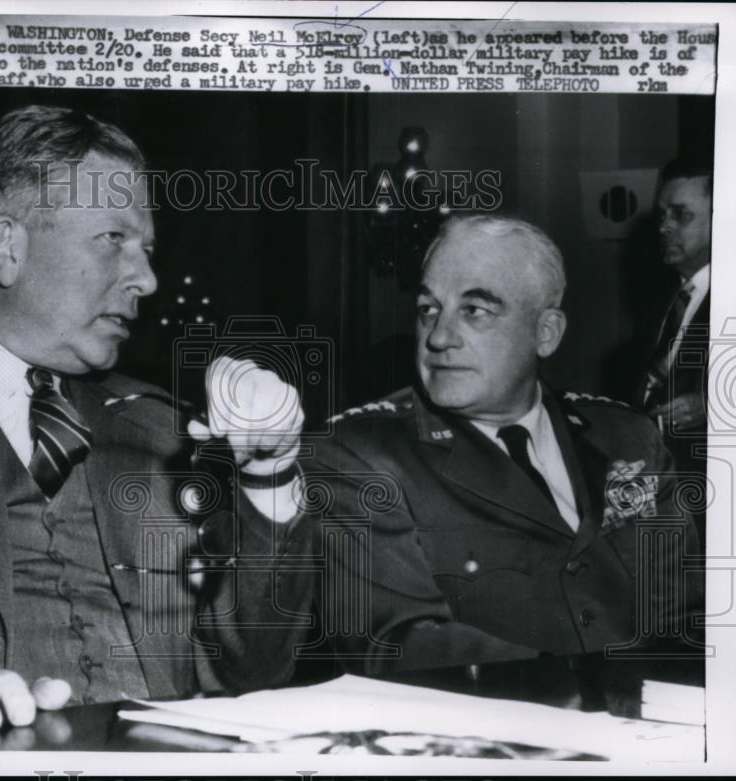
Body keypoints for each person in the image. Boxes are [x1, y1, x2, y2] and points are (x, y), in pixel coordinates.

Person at [0, 105, 306, 737]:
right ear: (8, 248)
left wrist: (270, 473)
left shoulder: (168, 430)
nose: (146, 278)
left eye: (146, 250)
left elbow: (258, 670)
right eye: (113, 239)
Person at [297, 215, 702, 676]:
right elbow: (396, 645)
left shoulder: (629, 439)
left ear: (545, 332)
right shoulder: (358, 455)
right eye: (428, 309)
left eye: (475, 311)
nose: (438, 336)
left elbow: (686, 621)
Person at [636, 160, 712, 533]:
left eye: (681, 215)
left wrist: (712, 408)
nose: (664, 227)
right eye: (662, 215)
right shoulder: (665, 301)